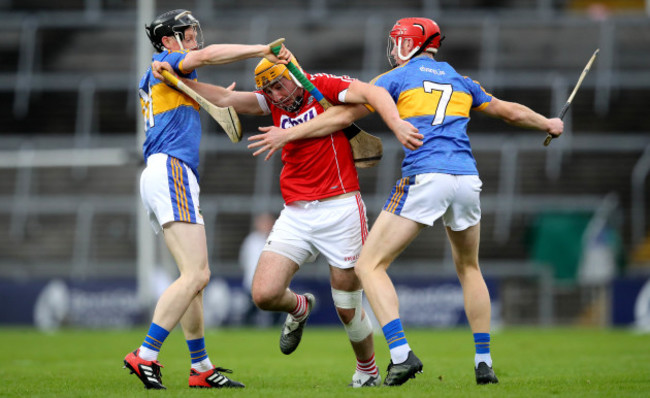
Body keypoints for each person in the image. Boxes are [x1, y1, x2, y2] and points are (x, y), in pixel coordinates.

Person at [248, 17, 564, 387]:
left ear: (407, 44)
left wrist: (291, 133)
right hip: (466, 178)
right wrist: (547, 123)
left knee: (369, 265)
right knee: (469, 268)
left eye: (397, 40)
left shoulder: (395, 78)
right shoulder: (460, 79)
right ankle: (483, 362)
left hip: (426, 176)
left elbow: (342, 115)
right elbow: (507, 110)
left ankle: (400, 354)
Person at [151, 53, 420, 387]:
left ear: (293, 76)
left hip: (341, 207)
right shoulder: (272, 102)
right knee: (263, 294)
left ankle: (367, 370)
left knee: (347, 307)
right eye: (269, 90)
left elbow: (374, 94)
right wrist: (176, 81)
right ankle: (299, 307)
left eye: (279, 85)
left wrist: (395, 123)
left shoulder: (321, 85)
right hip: (295, 212)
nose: (276, 95)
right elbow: (225, 98)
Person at [123, 9, 291, 390]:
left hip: (163, 172)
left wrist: (231, 95)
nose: (194, 37)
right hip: (172, 170)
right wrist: (262, 49)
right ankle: (145, 355)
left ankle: (200, 368)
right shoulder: (167, 61)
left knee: (193, 279)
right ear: (168, 41)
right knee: (198, 274)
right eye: (186, 32)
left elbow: (228, 98)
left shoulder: (171, 77)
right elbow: (207, 55)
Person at [238, 212, 277, 325]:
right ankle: (246, 327)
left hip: (271, 281)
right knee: (251, 307)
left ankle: (274, 328)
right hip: (252, 280)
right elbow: (244, 259)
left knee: (275, 307)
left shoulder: (276, 239)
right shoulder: (251, 240)